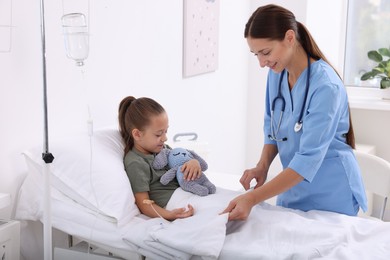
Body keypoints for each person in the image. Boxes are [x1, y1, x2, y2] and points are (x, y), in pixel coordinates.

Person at [221, 4, 367, 221]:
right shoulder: (277, 73)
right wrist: (262, 166)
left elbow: (308, 159)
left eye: (266, 52)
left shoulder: (326, 86)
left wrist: (252, 198)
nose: (262, 63)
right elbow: (273, 126)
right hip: (292, 190)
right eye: (256, 55)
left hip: (331, 195)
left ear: (290, 38)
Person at [118, 96, 202, 220]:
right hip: (174, 201)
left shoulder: (163, 149)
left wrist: (193, 162)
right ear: (137, 134)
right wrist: (169, 215)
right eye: (158, 134)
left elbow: (181, 160)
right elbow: (143, 203)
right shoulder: (136, 162)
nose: (164, 138)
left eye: (166, 131)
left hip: (189, 191)